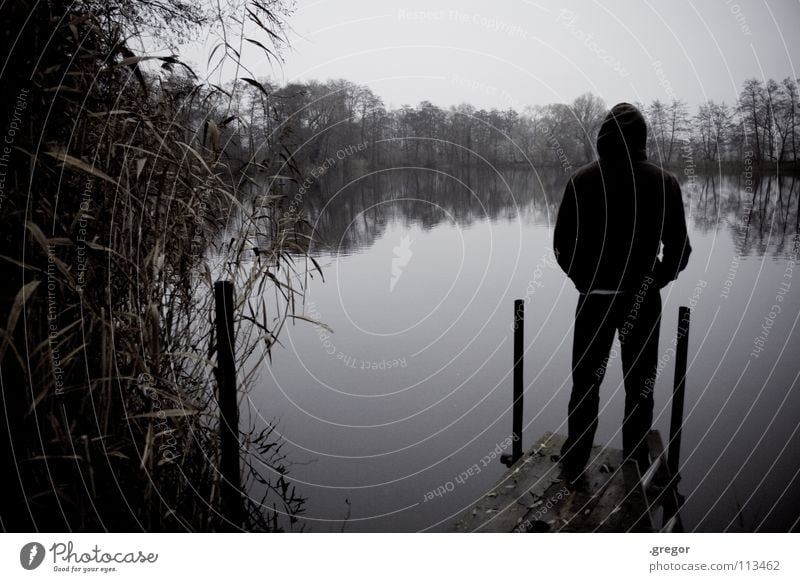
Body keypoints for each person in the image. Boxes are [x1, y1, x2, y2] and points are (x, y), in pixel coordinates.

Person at [553, 102, 691, 483]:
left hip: (595, 299)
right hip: (640, 301)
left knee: (586, 382)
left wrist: (585, 280)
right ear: (641, 139)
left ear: (604, 137)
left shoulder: (582, 180)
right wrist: (655, 280)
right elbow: (679, 249)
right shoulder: (663, 183)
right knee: (640, 385)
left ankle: (576, 458)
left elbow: (562, 244)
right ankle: (634, 463)